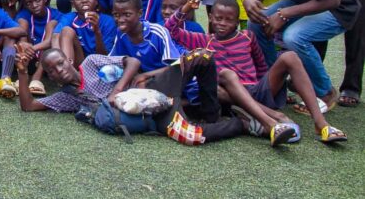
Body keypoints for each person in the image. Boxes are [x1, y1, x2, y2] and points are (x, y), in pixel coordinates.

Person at [167, 0, 347, 143]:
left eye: (229, 20)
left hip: (255, 90)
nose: (222, 23)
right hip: (229, 95)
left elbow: (261, 66)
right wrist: (186, 8)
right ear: (211, 18)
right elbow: (170, 29)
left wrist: (271, 87)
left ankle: (321, 123)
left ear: (237, 21)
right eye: (218, 19)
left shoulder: (247, 37)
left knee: (290, 56)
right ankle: (271, 123)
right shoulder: (203, 40)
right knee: (225, 76)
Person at [16, 47, 249, 145]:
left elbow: (133, 62)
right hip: (150, 116)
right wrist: (22, 72)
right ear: (51, 77)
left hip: (153, 89)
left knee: (201, 56)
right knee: (190, 136)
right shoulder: (66, 97)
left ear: (69, 60)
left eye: (60, 63)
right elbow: (28, 105)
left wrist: (117, 91)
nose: (59, 71)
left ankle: (211, 113)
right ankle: (244, 124)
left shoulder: (91, 62)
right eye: (52, 71)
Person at [15, 0, 62, 96]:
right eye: (29, 3)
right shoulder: (23, 15)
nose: (34, 5)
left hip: (48, 60)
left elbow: (49, 42)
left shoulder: (56, 15)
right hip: (29, 57)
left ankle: (36, 79)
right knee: (21, 32)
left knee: (50, 37)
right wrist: (25, 46)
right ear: (25, 4)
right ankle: (23, 75)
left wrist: (33, 48)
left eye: (37, 0)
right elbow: (21, 36)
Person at [57, 0, 117, 64]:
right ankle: (64, 66)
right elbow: (56, 36)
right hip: (79, 61)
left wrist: (97, 32)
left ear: (96, 1)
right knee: (66, 31)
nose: (84, 1)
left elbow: (104, 56)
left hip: (100, 63)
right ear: (73, 4)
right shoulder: (70, 17)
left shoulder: (108, 21)